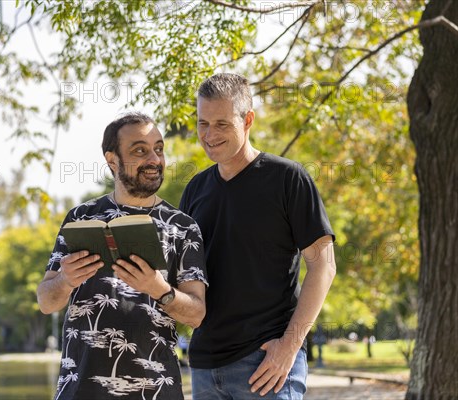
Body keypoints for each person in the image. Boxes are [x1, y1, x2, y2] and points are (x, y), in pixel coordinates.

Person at [179, 73, 337, 399]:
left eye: (221, 124)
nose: (209, 135)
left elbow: (323, 266)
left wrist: (289, 346)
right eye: (202, 123)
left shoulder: (288, 179)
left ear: (248, 119)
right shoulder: (195, 189)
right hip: (205, 367)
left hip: (268, 364)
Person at [37, 112, 208, 400]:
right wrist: (65, 280)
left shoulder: (183, 227)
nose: (154, 159)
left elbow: (197, 314)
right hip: (78, 391)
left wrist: (159, 289)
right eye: (140, 150)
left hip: (157, 391)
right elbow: (45, 301)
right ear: (112, 160)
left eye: (158, 149)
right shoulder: (79, 218)